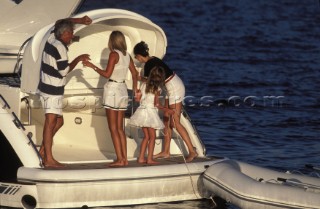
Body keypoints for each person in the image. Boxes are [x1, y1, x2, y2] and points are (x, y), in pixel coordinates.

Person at [38, 16, 92, 168]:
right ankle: (48, 159)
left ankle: (43, 150)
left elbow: (57, 22)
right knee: (50, 123)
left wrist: (80, 20)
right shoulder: (61, 48)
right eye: (71, 33)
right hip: (52, 90)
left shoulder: (50, 38)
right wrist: (78, 58)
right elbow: (64, 71)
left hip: (47, 88)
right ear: (65, 34)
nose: (73, 36)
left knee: (59, 121)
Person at [133, 41, 198, 162]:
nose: (137, 59)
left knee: (175, 122)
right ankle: (166, 152)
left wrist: (138, 78)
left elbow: (148, 82)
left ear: (139, 55)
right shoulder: (153, 59)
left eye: (136, 57)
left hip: (174, 87)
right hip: (169, 86)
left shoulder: (148, 65)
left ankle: (192, 151)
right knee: (166, 120)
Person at [82, 31, 138, 167]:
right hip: (123, 89)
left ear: (112, 41)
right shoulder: (127, 55)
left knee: (113, 128)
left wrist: (92, 66)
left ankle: (120, 159)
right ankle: (124, 159)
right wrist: (135, 89)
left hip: (113, 89)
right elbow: (135, 74)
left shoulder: (114, 54)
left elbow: (107, 73)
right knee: (120, 128)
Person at [129, 66, 174, 165]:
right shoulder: (157, 89)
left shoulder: (144, 85)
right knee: (152, 137)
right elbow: (156, 104)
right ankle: (149, 159)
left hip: (141, 111)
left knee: (146, 137)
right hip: (150, 113)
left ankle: (141, 158)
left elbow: (137, 99)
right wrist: (167, 109)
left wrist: (136, 93)